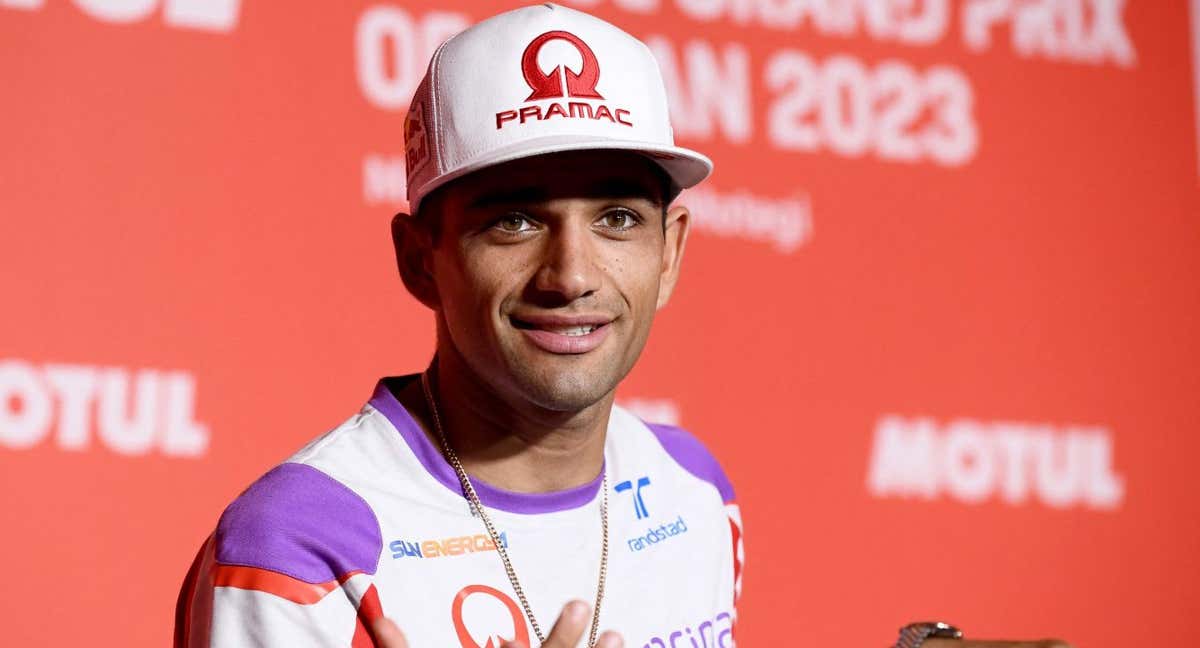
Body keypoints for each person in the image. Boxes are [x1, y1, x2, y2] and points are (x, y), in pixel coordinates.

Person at [174, 4, 742, 647]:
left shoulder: (693, 490)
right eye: (515, 220)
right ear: (420, 260)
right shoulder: (299, 549)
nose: (571, 275)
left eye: (616, 217)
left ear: (669, 254)